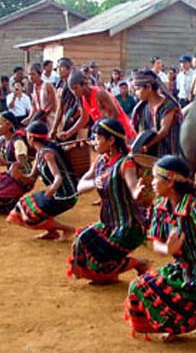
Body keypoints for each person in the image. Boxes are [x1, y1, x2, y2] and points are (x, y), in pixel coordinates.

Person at [125, 155, 196, 343]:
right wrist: (167, 249)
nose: (152, 182)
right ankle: (176, 322)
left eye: (156, 177)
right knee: (138, 287)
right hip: (181, 270)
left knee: (168, 307)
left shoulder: (194, 205)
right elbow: (156, 243)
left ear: (170, 181)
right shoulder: (160, 206)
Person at [67, 118, 150, 284]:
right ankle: (112, 272)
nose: (94, 142)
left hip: (129, 227)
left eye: (98, 138)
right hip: (109, 223)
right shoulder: (101, 161)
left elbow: (133, 187)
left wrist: (138, 192)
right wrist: (94, 182)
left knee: (98, 260)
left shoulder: (126, 164)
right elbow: (81, 185)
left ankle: (138, 264)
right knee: (81, 241)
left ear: (111, 140)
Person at [6, 120, 77, 240]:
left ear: (31, 138)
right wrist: (19, 176)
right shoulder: (40, 153)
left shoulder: (48, 154)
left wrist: (52, 189)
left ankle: (67, 229)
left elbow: (58, 177)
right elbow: (31, 178)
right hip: (55, 193)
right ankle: (52, 232)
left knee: (30, 215)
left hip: (65, 196)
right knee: (22, 205)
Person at [68, 70, 136, 141]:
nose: (74, 92)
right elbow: (84, 119)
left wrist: (103, 131)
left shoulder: (100, 94)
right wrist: (68, 133)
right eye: (72, 90)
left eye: (76, 88)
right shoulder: (82, 98)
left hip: (121, 132)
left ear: (84, 85)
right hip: (106, 134)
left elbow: (115, 113)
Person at [131, 70, 182, 157]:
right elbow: (140, 131)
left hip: (166, 153)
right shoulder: (141, 108)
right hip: (147, 154)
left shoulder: (169, 106)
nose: (136, 93)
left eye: (138, 89)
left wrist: (146, 146)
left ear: (149, 88)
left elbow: (163, 132)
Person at [25, 62, 57, 131]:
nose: (30, 77)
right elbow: (34, 106)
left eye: (33, 74)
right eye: (29, 74)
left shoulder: (47, 85)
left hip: (51, 118)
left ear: (39, 74)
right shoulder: (33, 87)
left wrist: (41, 115)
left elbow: (52, 104)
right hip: (40, 118)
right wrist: (29, 117)